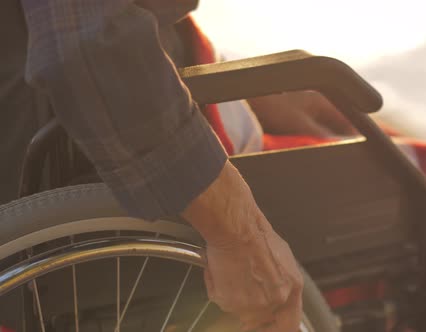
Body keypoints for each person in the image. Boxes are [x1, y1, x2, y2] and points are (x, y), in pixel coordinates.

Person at [1, 1, 305, 331]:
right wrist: (241, 234)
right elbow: (91, 46)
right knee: (341, 143)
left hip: (169, 77)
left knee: (316, 108)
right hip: (87, 142)